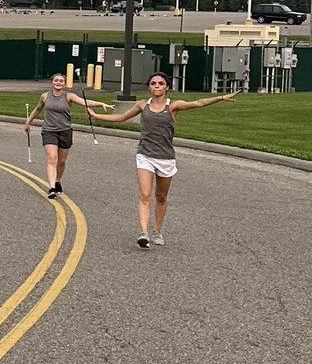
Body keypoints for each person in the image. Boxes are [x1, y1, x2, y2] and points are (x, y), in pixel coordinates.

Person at [90, 72, 237, 248]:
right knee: (145, 195)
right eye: (153, 83)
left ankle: (157, 231)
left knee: (161, 197)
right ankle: (143, 233)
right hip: (145, 155)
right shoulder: (143, 105)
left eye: (160, 83)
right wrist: (96, 116)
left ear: (167, 87)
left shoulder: (173, 106)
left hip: (166, 158)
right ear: (149, 87)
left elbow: (198, 103)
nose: (157, 86)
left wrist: (221, 97)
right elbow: (122, 117)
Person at [24, 73, 112, 198]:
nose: (58, 82)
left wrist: (100, 104)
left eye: (61, 81)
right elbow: (38, 109)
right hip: (49, 131)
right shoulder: (45, 96)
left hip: (65, 131)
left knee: (62, 161)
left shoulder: (69, 96)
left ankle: (58, 181)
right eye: (56, 80)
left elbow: (84, 102)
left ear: (64, 84)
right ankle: (51, 188)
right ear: (52, 82)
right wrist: (28, 123)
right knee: (52, 158)